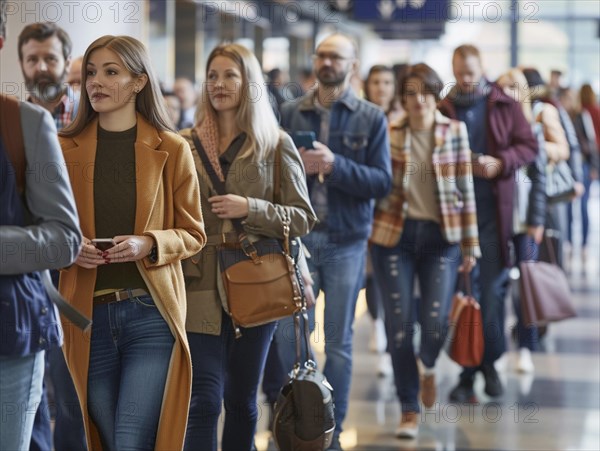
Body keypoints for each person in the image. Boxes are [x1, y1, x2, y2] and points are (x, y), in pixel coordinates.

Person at [58, 35, 206, 450]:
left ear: (139, 82)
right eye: (91, 72)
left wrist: (150, 243)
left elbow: (194, 233)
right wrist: (71, 246)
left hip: (149, 312)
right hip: (87, 318)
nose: (95, 82)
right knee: (104, 438)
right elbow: (46, 229)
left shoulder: (171, 148)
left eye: (111, 72)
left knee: (129, 439)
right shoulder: (62, 149)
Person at [179, 42, 316, 451]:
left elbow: (302, 217)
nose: (220, 84)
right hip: (197, 280)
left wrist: (250, 208)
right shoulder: (183, 144)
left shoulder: (275, 144)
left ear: (249, 83)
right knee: (201, 401)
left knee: (241, 400)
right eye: (213, 76)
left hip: (256, 279)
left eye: (230, 75)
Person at [278, 33, 392, 450]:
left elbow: (382, 182)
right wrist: (300, 171)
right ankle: (295, 422)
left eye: (336, 56)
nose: (327, 62)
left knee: (339, 343)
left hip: (346, 240)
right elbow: (272, 177)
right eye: (321, 54)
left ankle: (331, 429)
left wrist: (335, 165)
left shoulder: (370, 117)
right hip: (299, 241)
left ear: (352, 64)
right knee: (292, 338)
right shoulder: (291, 113)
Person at [370, 63, 479, 438]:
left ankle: (428, 366)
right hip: (394, 238)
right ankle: (408, 408)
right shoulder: (389, 131)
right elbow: (379, 187)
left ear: (435, 95)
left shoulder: (455, 132)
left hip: (441, 237)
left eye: (425, 92)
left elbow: (465, 189)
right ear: (403, 97)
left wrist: (470, 244)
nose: (418, 100)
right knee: (399, 326)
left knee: (434, 323)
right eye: (411, 93)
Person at [0, 4, 82, 450]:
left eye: (49, 58)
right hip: (36, 278)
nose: (41, 67)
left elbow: (63, 233)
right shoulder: (19, 119)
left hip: (61, 283)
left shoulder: (39, 124)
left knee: (67, 392)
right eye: (32, 59)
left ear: (65, 61)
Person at [439, 45, 537, 402]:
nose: (466, 79)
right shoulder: (443, 107)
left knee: (493, 297)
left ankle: (489, 365)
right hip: (455, 218)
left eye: (471, 72)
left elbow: (529, 146)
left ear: (482, 69)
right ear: (453, 68)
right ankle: (467, 371)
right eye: (460, 72)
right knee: (463, 295)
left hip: (495, 214)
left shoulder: (503, 104)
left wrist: (501, 162)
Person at [496, 68, 548, 373]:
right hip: (497, 222)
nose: (510, 92)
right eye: (504, 87)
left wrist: (537, 220)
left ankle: (526, 346)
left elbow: (539, 179)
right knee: (496, 287)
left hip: (525, 222)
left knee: (525, 288)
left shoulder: (534, 128)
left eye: (515, 87)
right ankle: (497, 347)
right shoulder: (492, 127)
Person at [363, 64, 404, 376]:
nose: (381, 87)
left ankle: (393, 339)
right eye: (376, 81)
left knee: (390, 277)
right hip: (366, 207)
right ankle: (376, 323)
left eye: (387, 81)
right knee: (372, 274)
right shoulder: (360, 117)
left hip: (394, 209)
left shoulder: (403, 120)